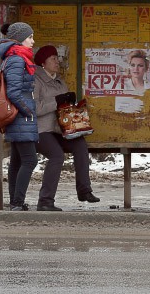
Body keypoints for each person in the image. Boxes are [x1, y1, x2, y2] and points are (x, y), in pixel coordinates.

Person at [33, 45, 100, 211]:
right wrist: (57, 101)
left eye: (57, 58)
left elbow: (62, 109)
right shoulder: (35, 80)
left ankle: (84, 190)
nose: (57, 61)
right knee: (57, 156)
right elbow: (34, 108)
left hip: (58, 130)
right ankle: (45, 201)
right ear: (43, 63)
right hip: (40, 131)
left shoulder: (59, 82)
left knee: (80, 145)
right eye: (53, 59)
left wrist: (73, 106)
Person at [0, 22, 38, 211]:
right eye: (30, 37)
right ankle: (17, 201)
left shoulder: (16, 57)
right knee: (30, 160)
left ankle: (15, 201)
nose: (33, 40)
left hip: (19, 117)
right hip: (21, 116)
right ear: (21, 39)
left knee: (17, 160)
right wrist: (27, 111)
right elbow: (14, 92)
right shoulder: (17, 59)